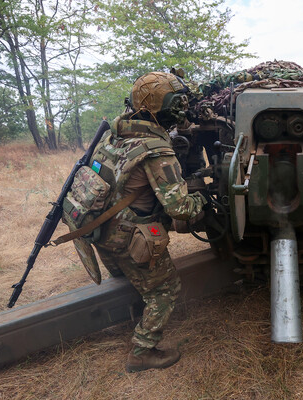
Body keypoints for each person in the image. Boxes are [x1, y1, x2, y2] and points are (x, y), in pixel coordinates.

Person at [68, 71, 208, 372]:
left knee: (132, 277)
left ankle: (133, 300)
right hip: (128, 240)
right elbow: (180, 208)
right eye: (179, 103)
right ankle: (143, 351)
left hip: (98, 232)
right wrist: (204, 198)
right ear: (167, 108)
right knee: (165, 289)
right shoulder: (156, 151)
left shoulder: (113, 134)